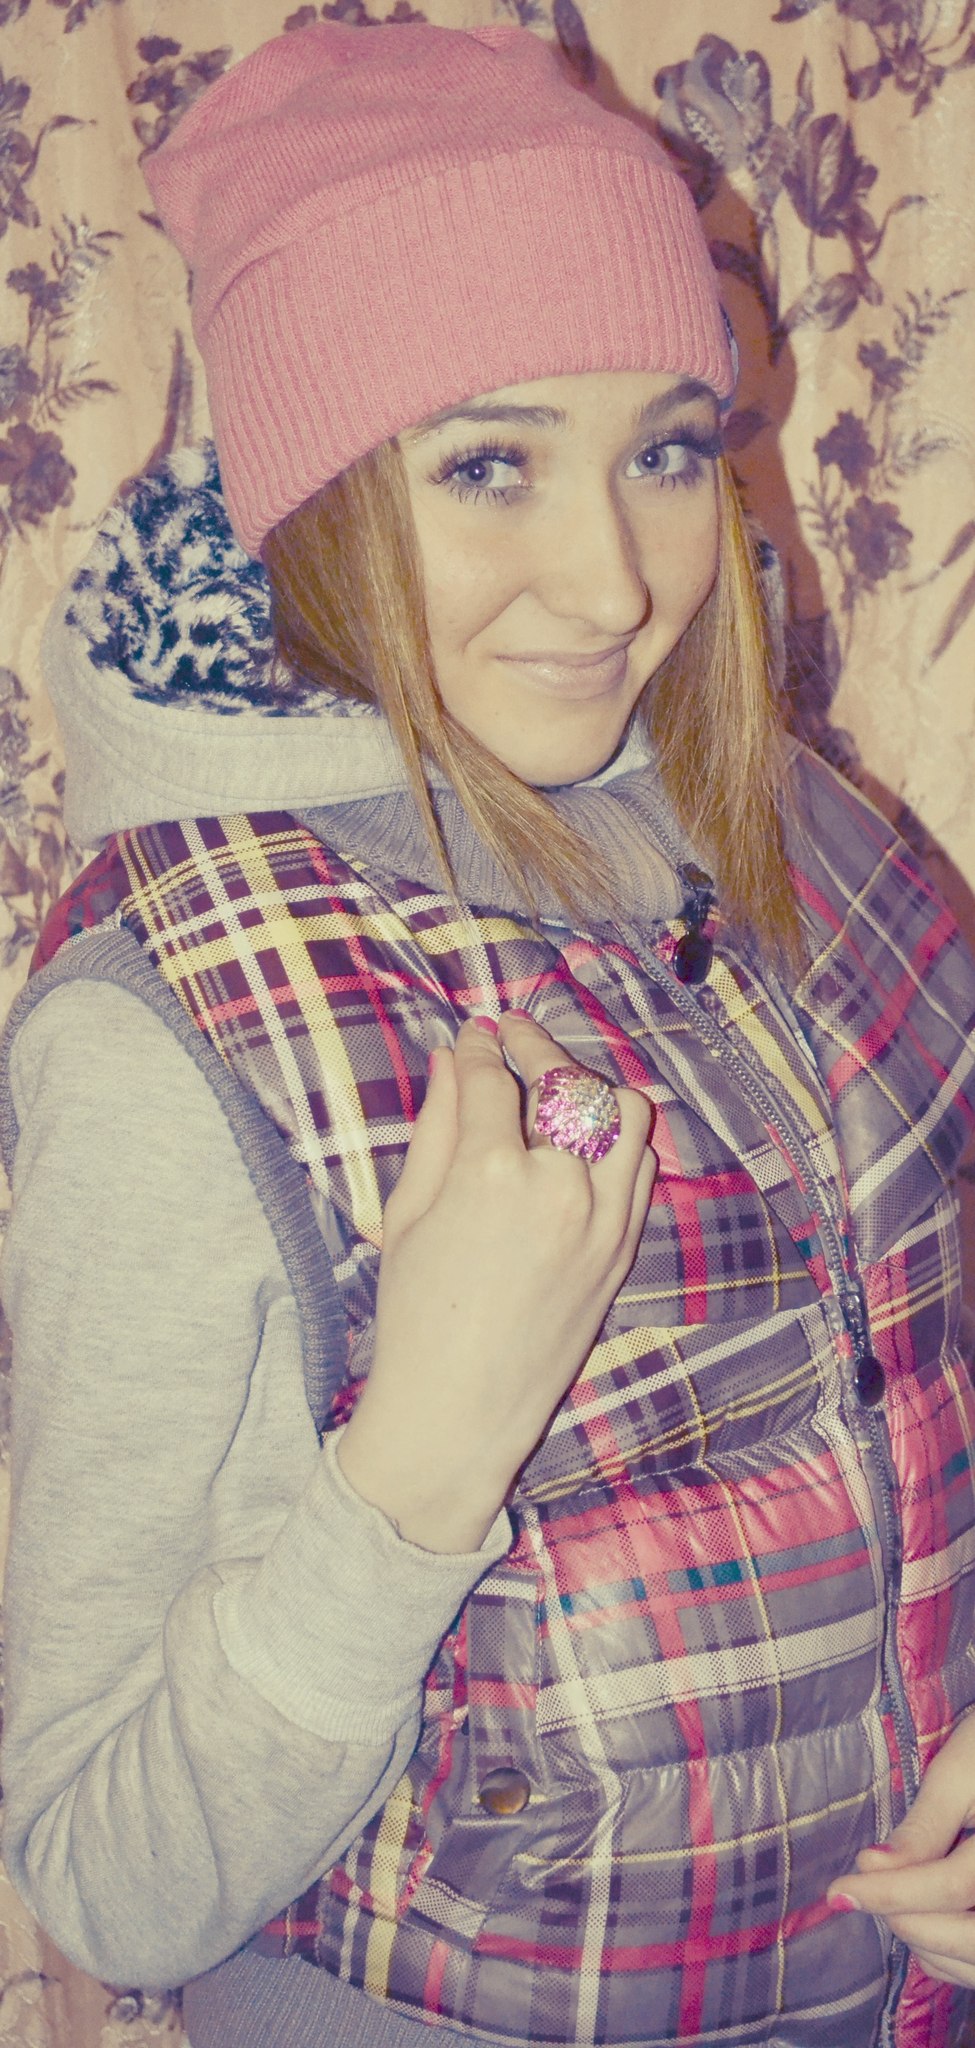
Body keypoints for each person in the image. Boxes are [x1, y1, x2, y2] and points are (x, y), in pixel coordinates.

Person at [1, 18, 974, 2048]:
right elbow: (103, 1876)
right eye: (485, 463)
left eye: (665, 449)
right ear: (314, 486)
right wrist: (430, 1442)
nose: (610, 581)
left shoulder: (819, 843)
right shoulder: (160, 1025)